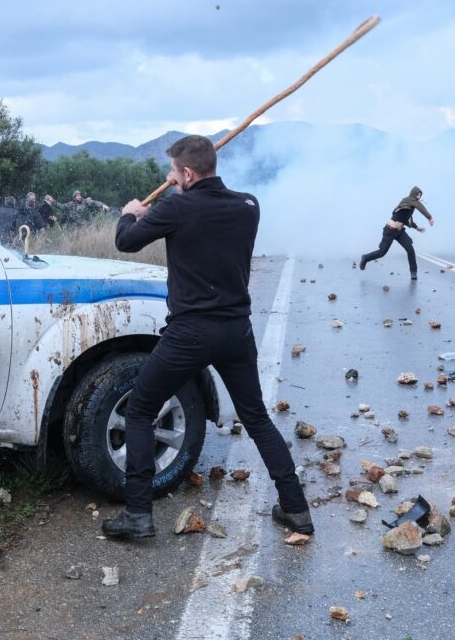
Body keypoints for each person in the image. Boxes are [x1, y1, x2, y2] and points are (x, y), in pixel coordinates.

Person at [102, 134, 311, 540]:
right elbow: (204, 209)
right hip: (236, 331)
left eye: (176, 173)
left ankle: (138, 515)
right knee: (257, 417)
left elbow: (125, 242)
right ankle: (297, 510)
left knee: (141, 411)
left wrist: (131, 214)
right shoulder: (248, 206)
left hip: (190, 333)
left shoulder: (176, 206)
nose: (173, 178)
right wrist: (178, 190)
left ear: (188, 173)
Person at [358, 186, 434, 280]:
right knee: (382, 252)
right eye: (417, 194)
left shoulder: (410, 207)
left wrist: (417, 228)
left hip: (399, 232)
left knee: (410, 249)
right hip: (389, 231)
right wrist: (429, 217)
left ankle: (413, 272)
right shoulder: (408, 200)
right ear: (413, 194)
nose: (419, 196)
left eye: (420, 194)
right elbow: (420, 207)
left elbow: (406, 220)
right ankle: (365, 257)